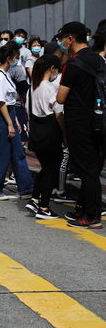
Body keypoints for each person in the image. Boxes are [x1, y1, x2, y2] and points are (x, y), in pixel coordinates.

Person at [56, 22, 104, 228]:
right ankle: (84, 210)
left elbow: (60, 98)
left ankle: (92, 217)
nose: (62, 42)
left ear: (71, 39)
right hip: (100, 120)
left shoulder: (73, 64)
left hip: (79, 122)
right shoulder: (99, 60)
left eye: (63, 38)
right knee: (92, 167)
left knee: (87, 170)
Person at [0, 45, 34, 200]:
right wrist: (10, 123)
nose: (17, 60)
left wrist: (15, 121)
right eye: (16, 57)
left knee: (18, 153)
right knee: (1, 154)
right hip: (1, 116)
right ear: (9, 58)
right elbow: (1, 102)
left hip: (9, 115)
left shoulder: (5, 75)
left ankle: (26, 188)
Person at [24, 55, 63, 219]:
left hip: (36, 134)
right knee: (52, 170)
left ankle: (34, 198)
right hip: (51, 134)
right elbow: (59, 113)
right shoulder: (50, 88)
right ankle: (44, 207)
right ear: (52, 68)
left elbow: (28, 110)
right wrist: (65, 136)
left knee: (46, 167)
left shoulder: (32, 88)